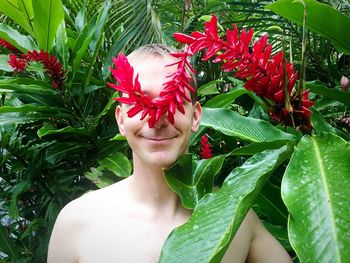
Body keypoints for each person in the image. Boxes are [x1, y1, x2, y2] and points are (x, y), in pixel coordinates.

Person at [47, 44, 292, 263]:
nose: (156, 119)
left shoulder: (237, 219)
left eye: (171, 100)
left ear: (195, 116)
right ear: (121, 121)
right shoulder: (77, 222)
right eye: (139, 100)